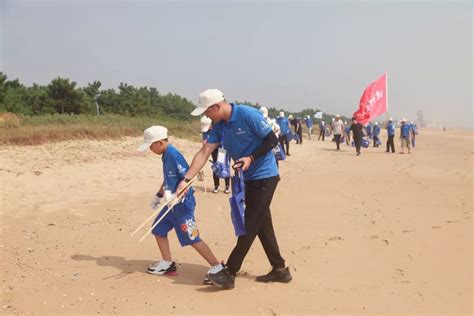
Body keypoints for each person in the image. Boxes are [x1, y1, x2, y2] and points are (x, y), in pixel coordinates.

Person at [179, 89, 292, 290]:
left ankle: (230, 271)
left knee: (250, 224)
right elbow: (205, 151)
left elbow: (272, 140)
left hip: (265, 176)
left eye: (206, 111)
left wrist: (251, 157)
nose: (206, 116)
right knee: (262, 224)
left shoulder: (248, 114)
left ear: (216, 106)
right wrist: (186, 179)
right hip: (247, 178)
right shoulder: (219, 126)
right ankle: (280, 269)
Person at [137, 125, 223, 282]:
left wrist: (179, 195)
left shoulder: (173, 155)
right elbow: (169, 178)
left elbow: (187, 178)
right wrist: (159, 195)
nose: (150, 149)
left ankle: (217, 266)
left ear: (160, 143)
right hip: (170, 204)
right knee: (158, 229)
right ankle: (167, 262)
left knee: (192, 237)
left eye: (151, 146)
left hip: (182, 204)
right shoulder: (165, 155)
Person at [201, 116, 230, 194]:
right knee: (216, 166)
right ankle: (216, 185)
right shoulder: (204, 128)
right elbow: (204, 142)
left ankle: (227, 186)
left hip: (223, 148)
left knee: (224, 166)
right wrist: (204, 154)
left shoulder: (220, 126)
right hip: (213, 149)